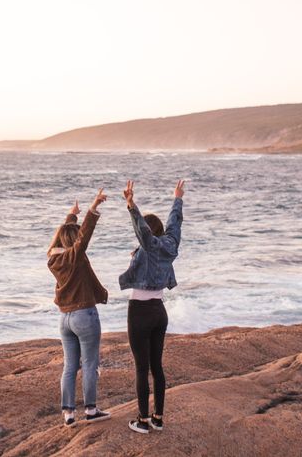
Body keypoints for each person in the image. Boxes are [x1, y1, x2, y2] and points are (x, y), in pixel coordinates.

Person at [119, 179, 185, 434]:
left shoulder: (150, 245)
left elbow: (143, 232)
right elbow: (175, 224)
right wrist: (177, 198)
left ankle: (142, 421)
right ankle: (158, 417)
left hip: (140, 313)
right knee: (157, 367)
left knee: (141, 368)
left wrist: (131, 205)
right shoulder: (169, 245)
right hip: (159, 312)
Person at [47, 188, 112, 428]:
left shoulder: (53, 259)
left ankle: (68, 414)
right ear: (73, 241)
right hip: (85, 315)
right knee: (90, 365)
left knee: (69, 367)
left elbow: (57, 241)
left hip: (64, 319)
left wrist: (70, 217)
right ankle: (91, 409)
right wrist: (93, 207)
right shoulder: (75, 256)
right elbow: (84, 236)